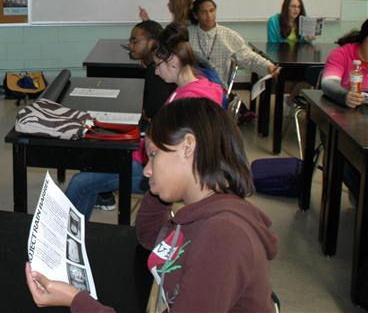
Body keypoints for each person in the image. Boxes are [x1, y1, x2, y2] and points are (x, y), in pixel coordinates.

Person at [26, 98, 279, 312]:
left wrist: (76, 301)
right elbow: (149, 238)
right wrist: (161, 190)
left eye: (154, 155)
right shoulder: (200, 212)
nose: (147, 170)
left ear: (187, 146)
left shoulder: (223, 235)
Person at [64, 21, 176, 217]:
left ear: (152, 42)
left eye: (135, 40)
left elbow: (152, 115)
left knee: (80, 182)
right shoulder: (158, 71)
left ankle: (62, 242)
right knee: (90, 164)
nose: (130, 45)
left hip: (155, 167)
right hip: (152, 154)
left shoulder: (156, 74)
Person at [321, 18, 368, 201]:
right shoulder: (342, 54)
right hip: (341, 123)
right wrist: (345, 96)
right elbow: (328, 83)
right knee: (347, 161)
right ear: (363, 39)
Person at [188, 0, 280, 86]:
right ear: (196, 15)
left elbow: (249, 57)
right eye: (203, 12)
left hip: (219, 89)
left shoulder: (229, 36)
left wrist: (268, 66)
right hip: (193, 87)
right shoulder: (188, 35)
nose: (209, 15)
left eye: (212, 11)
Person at [153, 23, 225, 106]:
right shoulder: (197, 85)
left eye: (157, 65)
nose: (156, 72)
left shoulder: (189, 101)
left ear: (173, 61)